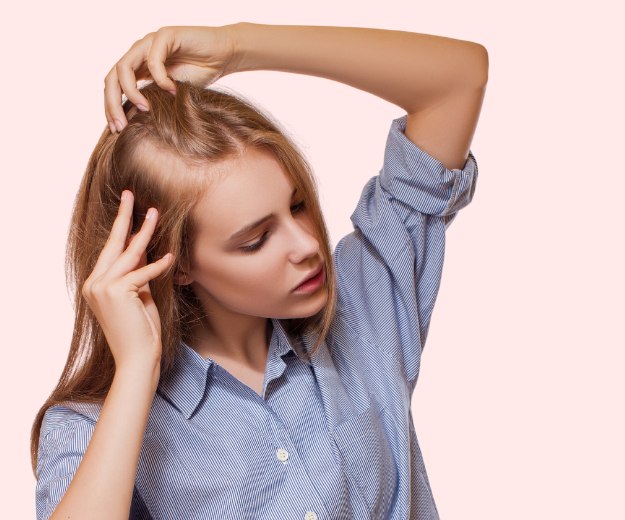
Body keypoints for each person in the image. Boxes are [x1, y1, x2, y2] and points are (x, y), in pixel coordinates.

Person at [30, 22, 488, 520]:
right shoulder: (93, 428)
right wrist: (136, 369)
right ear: (175, 264)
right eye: (256, 240)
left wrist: (236, 47)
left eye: (296, 205)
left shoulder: (363, 302)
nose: (308, 245)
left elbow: (457, 82)